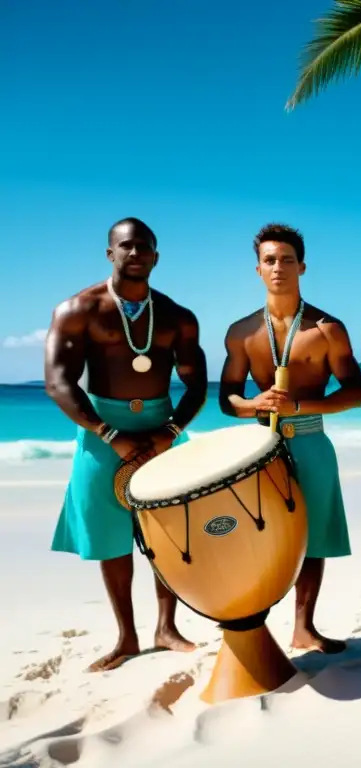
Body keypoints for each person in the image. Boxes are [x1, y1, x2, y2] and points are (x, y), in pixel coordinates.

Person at [45, 217, 207, 672]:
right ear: (110, 253)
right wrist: (108, 434)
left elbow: (196, 385)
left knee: (171, 531)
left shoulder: (177, 316)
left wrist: (169, 432)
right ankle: (127, 638)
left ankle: (166, 628)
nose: (136, 254)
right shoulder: (78, 310)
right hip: (101, 431)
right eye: (127, 246)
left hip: (161, 426)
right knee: (112, 534)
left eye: (145, 248)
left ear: (156, 257)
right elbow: (58, 383)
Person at [219, 223, 361, 654]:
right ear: (258, 270)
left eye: (286, 259)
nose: (278, 267)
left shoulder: (327, 329)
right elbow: (227, 399)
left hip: (310, 440)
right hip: (260, 447)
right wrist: (255, 404)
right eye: (270, 260)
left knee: (313, 537)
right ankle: (254, 625)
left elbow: (355, 394)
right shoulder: (242, 332)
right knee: (258, 535)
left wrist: (298, 408)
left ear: (302, 266)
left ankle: (304, 627)